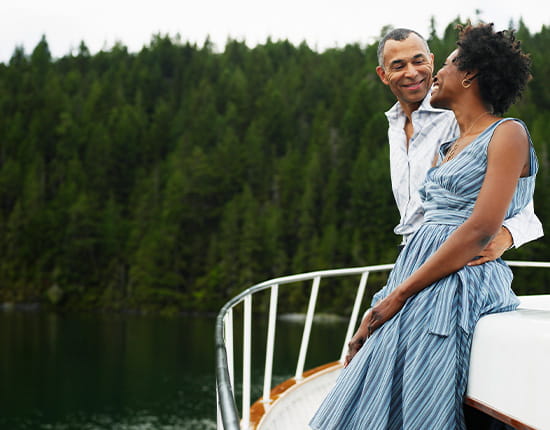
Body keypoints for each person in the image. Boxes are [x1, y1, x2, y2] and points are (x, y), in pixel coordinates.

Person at [310, 23, 540, 430]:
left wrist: (499, 238)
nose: (419, 73)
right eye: (399, 65)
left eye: (427, 61)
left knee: (419, 393)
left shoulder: (499, 131)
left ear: (460, 71)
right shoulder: (432, 140)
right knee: (365, 377)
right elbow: (425, 219)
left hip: (449, 273)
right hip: (415, 267)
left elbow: (496, 219)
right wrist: (389, 295)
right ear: (384, 75)